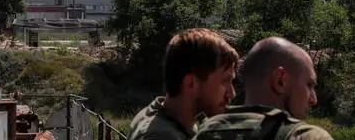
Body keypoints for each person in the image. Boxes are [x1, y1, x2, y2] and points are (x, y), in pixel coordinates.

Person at [192, 37, 333, 140]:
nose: (313, 99)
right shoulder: (307, 136)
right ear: (280, 80)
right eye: (309, 85)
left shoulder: (203, 133)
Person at [127, 28, 239, 140]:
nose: (232, 93)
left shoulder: (177, 120)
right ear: (191, 83)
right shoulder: (161, 136)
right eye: (224, 81)